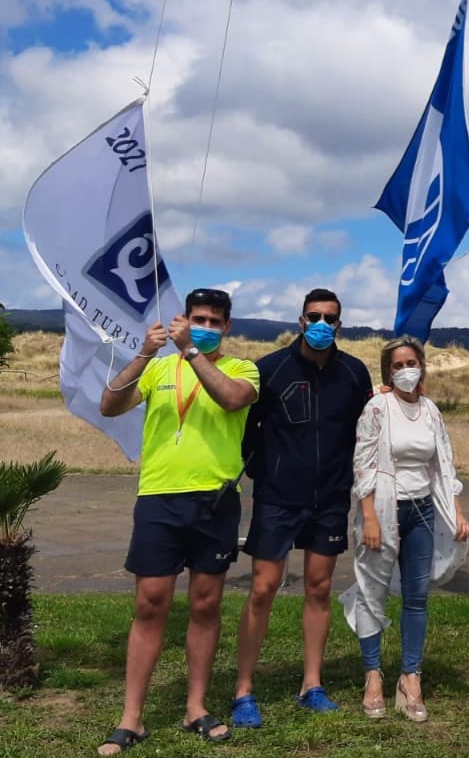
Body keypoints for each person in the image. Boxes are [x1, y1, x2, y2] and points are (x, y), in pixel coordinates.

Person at [96, 288, 259, 756]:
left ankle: (195, 706)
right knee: (151, 602)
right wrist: (146, 353)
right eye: (196, 319)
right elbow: (110, 405)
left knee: (205, 604)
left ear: (227, 326)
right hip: (159, 499)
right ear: (182, 317)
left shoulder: (242, 369)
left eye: (213, 321)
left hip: (215, 501)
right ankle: (132, 718)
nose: (204, 326)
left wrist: (190, 350)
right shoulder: (159, 368)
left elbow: (231, 400)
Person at [232, 288, 372, 726]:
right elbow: (248, 428)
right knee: (262, 588)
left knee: (318, 588)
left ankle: (312, 684)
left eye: (331, 318)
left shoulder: (353, 373)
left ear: (340, 325)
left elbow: (366, 430)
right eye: (315, 315)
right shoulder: (269, 369)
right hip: (277, 497)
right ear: (300, 320)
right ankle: (243, 691)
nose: (322, 323)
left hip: (330, 498)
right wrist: (259, 469)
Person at [342, 336, 469, 722]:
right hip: (383, 509)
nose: (404, 371)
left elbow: (443, 464)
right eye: (396, 366)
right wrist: (368, 516)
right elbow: (362, 462)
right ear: (387, 372)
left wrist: (458, 511)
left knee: (417, 597)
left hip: (423, 512)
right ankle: (372, 675)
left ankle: (410, 677)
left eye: (410, 363)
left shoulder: (431, 410)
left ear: (423, 366)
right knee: (371, 591)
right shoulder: (377, 407)